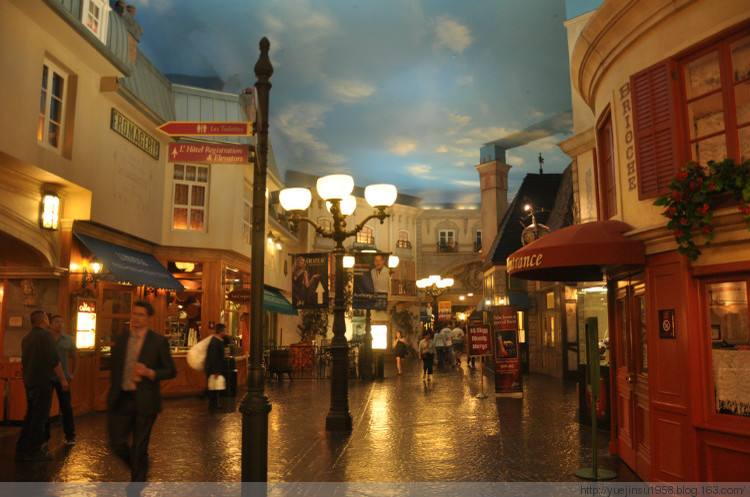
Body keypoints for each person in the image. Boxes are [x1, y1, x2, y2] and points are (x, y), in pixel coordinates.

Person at [108, 300, 176, 482]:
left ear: (148, 318)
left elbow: (171, 370)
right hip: (122, 398)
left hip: (146, 400)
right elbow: (115, 368)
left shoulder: (158, 342)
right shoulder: (122, 339)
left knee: (139, 446)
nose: (136, 318)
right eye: (134, 314)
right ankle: (140, 467)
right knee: (116, 443)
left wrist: (150, 372)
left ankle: (137, 483)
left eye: (141, 315)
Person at [16, 310, 67, 461]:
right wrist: (63, 380)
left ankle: (22, 447)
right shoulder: (46, 336)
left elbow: (25, 361)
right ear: (43, 320)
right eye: (47, 318)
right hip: (43, 382)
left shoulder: (26, 338)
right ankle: (35, 451)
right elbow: (55, 360)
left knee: (31, 415)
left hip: (30, 382)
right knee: (40, 417)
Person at [46, 314, 76, 445]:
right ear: (51, 324)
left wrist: (72, 373)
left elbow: (75, 356)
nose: (60, 324)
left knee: (66, 407)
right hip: (47, 377)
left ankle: (70, 436)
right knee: (45, 407)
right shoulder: (46, 338)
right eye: (57, 322)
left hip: (63, 377)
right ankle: (44, 437)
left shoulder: (68, 339)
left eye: (61, 322)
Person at [205, 324, 227, 410]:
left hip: (214, 369)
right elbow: (214, 357)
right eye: (225, 331)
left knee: (215, 387)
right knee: (214, 387)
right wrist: (216, 371)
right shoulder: (215, 342)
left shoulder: (217, 340)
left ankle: (214, 404)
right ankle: (213, 405)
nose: (226, 332)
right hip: (213, 370)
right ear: (221, 331)